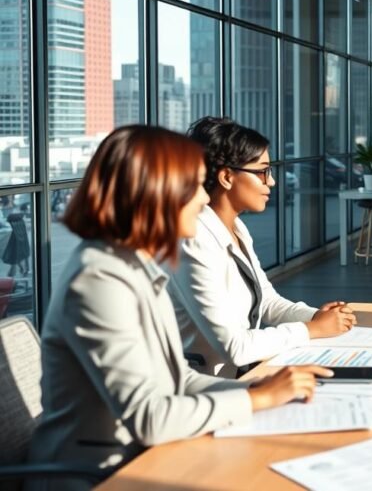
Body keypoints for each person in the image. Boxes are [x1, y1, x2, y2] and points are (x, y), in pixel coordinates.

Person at [28, 126, 330, 490]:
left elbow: (178, 380)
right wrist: (259, 399)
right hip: (100, 475)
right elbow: (149, 419)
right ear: (156, 193)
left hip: (143, 456)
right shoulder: (98, 281)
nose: (204, 200)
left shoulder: (136, 266)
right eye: (194, 187)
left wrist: (254, 391)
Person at [170, 117, 357, 377]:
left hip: (245, 375)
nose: (271, 182)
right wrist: (310, 330)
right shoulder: (192, 240)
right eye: (262, 172)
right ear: (226, 177)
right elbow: (234, 347)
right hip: (208, 390)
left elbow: (267, 302)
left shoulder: (237, 229)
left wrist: (316, 317)